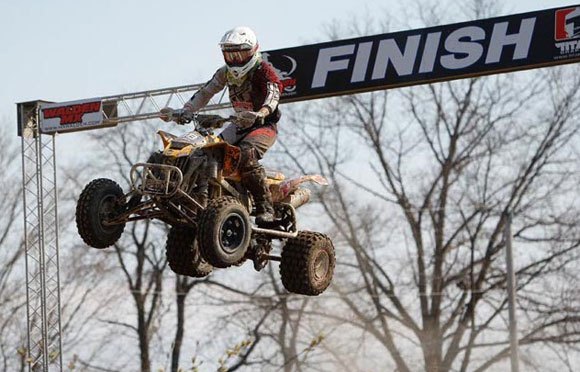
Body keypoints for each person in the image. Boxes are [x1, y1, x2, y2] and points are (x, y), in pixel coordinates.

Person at [160, 26, 282, 224]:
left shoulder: (263, 71)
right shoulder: (225, 73)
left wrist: (261, 113)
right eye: (230, 54)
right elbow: (206, 92)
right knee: (205, 150)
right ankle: (198, 197)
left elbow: (274, 93)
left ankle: (265, 207)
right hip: (239, 124)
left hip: (263, 126)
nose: (234, 60)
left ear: (252, 51)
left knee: (244, 155)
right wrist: (187, 110)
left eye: (239, 53)